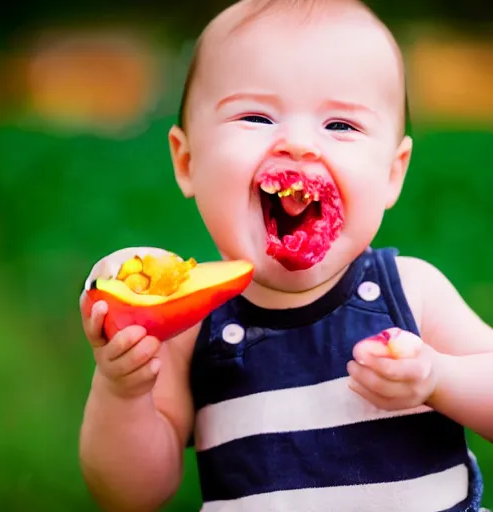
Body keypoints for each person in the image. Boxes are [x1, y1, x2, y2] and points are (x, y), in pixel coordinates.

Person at [78, 0, 493, 510]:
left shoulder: (410, 292)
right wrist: (123, 393)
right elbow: (132, 495)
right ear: (187, 162)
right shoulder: (189, 327)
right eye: (256, 116)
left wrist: (440, 378)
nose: (298, 144)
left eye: (340, 125)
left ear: (392, 173)